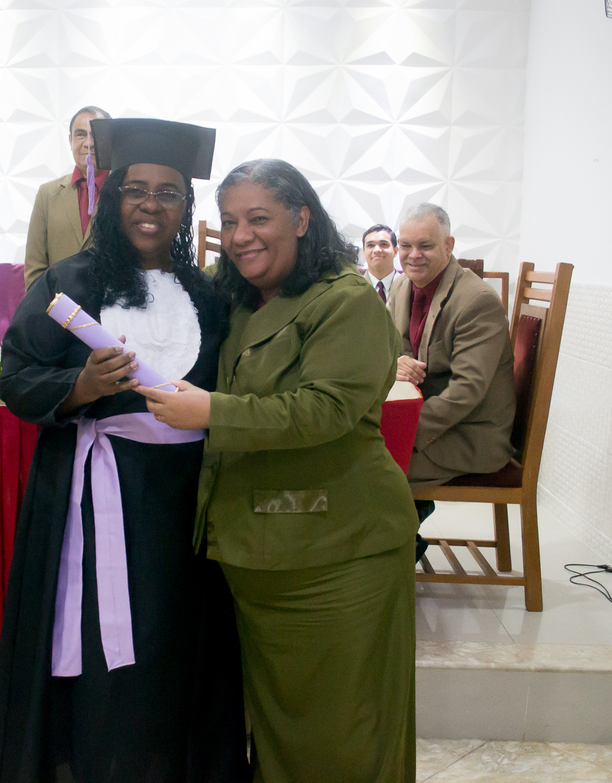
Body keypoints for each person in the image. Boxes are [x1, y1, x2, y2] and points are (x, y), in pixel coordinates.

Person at [0, 118, 249, 783]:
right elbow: (16, 378)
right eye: (136, 189)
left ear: (185, 206)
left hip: (182, 506)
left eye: (168, 192)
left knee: (172, 649)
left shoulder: (209, 295)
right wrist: (81, 387)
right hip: (89, 499)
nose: (150, 205)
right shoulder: (67, 284)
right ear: (112, 197)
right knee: (100, 661)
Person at [138, 159, 419, 782]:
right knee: (280, 730)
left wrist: (210, 412)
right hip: (260, 551)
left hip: (337, 552)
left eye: (259, 218)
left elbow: (325, 410)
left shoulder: (345, 301)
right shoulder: (241, 298)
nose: (241, 236)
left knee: (344, 734)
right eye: (230, 221)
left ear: (301, 219)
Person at [389, 203, 514, 492]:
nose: (413, 255)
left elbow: (467, 389)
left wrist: (402, 431)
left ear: (449, 245)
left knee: (367, 469)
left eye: (425, 245)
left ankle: (407, 523)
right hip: (426, 420)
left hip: (469, 436)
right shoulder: (401, 286)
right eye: (405, 245)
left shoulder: (477, 301)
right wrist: (396, 362)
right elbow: (388, 347)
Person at [23, 106, 112, 291]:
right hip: (59, 306)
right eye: (80, 135)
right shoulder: (47, 194)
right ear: (70, 141)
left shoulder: (126, 193)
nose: (88, 143)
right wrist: (56, 307)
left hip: (112, 306)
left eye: (96, 135)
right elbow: (35, 270)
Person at [360, 223, 398, 303]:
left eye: (383, 244)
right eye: (370, 245)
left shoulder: (409, 285)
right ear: (363, 252)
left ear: (395, 251)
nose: (377, 250)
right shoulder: (354, 287)